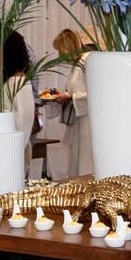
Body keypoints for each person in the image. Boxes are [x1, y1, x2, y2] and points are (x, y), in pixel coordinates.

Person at [48, 27, 91, 179]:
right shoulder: (76, 65)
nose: (59, 55)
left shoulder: (87, 60)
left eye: (60, 50)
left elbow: (96, 93)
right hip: (77, 123)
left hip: (88, 124)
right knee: (75, 164)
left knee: (85, 164)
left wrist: (70, 97)